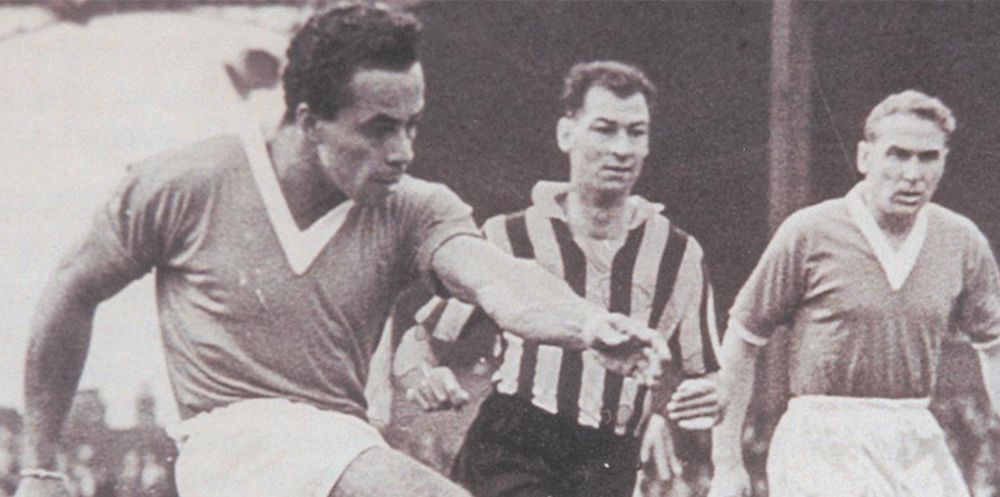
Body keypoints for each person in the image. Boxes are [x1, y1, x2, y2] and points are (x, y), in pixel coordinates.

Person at [14, 5, 670, 497]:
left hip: (344, 444)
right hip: (229, 442)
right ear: (309, 121)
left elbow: (499, 279)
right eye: (379, 129)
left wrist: (587, 324)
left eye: (412, 125)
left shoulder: (413, 206)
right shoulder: (185, 184)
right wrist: (40, 468)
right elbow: (72, 288)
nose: (403, 151)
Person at [395, 61, 722, 497]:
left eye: (636, 132)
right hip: (515, 444)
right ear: (567, 134)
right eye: (604, 129)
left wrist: (709, 399)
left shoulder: (678, 253)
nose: (622, 149)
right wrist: (424, 378)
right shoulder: (509, 236)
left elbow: (709, 376)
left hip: (609, 459)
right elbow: (418, 345)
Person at [709, 90, 1000, 497]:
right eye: (898, 155)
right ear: (865, 157)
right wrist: (726, 462)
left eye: (928, 157)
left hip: (913, 433)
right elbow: (742, 340)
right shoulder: (809, 232)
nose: (912, 173)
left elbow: (994, 346)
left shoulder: (960, 240)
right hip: (822, 437)